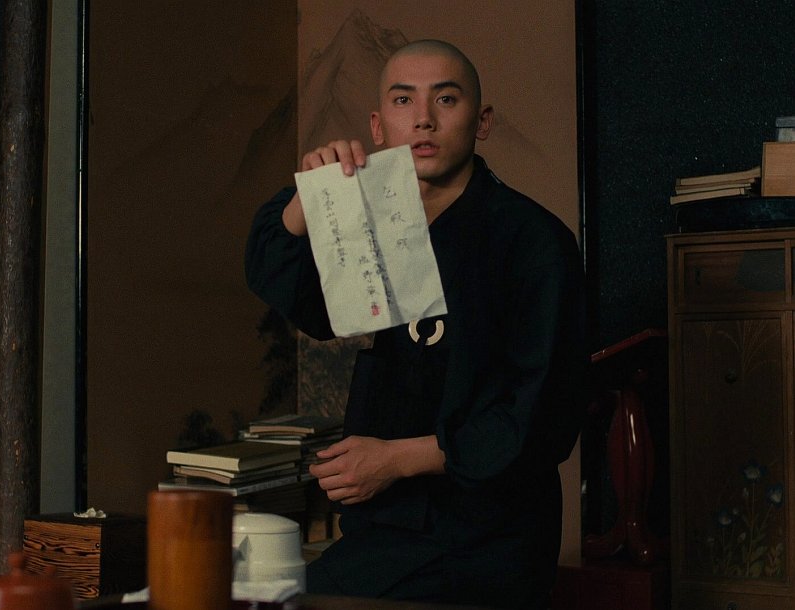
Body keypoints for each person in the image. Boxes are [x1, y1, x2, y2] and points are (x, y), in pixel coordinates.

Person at [245, 39, 587, 609]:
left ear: (482, 121)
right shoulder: (374, 221)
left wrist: (396, 460)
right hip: (386, 527)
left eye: (446, 99)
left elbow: (542, 422)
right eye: (403, 101)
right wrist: (310, 197)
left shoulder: (534, 243)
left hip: (487, 537)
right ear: (378, 127)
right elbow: (306, 302)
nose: (423, 118)